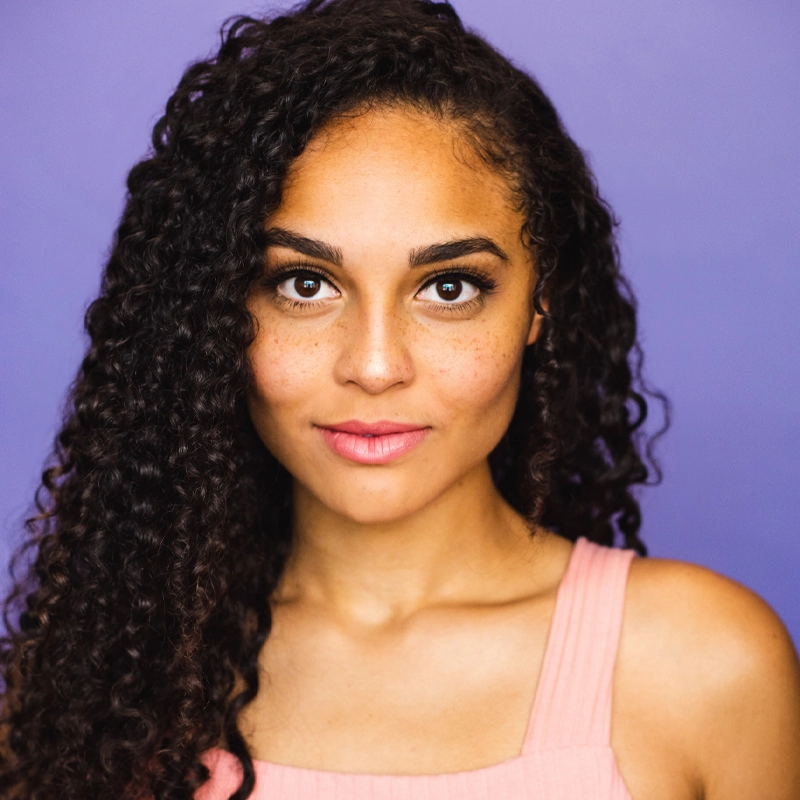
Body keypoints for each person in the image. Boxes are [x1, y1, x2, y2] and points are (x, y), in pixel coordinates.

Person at [1, 0, 799, 798]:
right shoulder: (100, 687)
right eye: (304, 284)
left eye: (449, 288)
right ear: (217, 312)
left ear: (538, 304)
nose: (376, 366)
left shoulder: (703, 667)